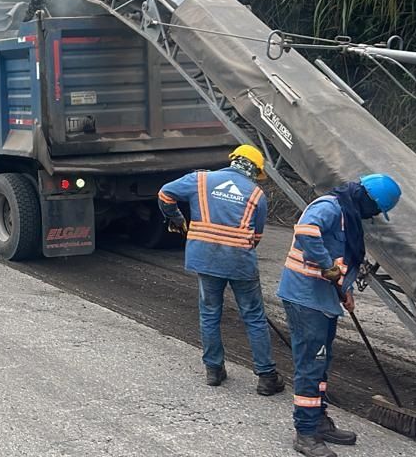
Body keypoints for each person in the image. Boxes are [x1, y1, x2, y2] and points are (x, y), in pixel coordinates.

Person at [278, 173, 401, 457]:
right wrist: (326, 267)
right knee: (311, 364)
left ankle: (319, 421)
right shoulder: (331, 206)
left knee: (321, 363)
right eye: (375, 210)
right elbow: (307, 230)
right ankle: (305, 433)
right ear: (368, 200)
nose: (372, 216)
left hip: (323, 299)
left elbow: (340, 258)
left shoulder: (348, 214)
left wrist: (344, 289)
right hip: (305, 298)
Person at [158, 145, 285, 395]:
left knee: (209, 313)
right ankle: (267, 377)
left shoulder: (201, 179)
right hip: (240, 262)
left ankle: (214, 370)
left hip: (205, 259)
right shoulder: (257, 195)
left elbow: (165, 195)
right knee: (254, 317)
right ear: (253, 170)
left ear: (234, 160)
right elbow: (256, 236)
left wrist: (177, 219)